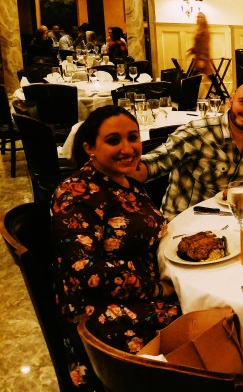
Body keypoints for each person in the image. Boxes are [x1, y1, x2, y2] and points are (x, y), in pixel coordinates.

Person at [51, 105, 180, 390]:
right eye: (113, 140)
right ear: (89, 148)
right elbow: (87, 271)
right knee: (207, 320)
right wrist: (157, 289)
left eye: (133, 137)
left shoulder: (126, 181)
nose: (128, 148)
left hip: (136, 293)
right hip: (99, 311)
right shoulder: (75, 193)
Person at [136, 83, 243, 218]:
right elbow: (155, 163)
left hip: (229, 220)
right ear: (231, 100)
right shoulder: (198, 133)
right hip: (185, 224)